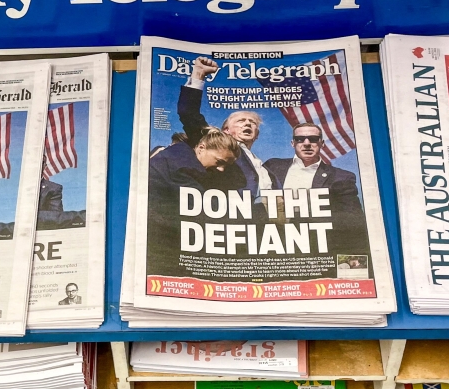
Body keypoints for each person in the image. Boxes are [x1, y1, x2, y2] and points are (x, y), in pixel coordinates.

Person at [262, 122, 370, 254]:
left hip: (315, 247)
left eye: (313, 139)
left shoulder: (341, 177)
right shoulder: (273, 166)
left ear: (322, 143)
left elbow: (353, 218)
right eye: (300, 139)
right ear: (293, 143)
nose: (306, 143)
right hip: (274, 244)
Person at [147, 129, 244, 276]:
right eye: (219, 162)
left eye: (226, 166)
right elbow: (204, 209)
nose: (221, 170)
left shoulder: (178, 153)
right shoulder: (185, 167)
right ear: (201, 148)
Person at [178, 56, 274, 197]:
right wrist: (198, 74)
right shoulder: (215, 144)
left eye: (252, 122)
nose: (247, 123)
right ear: (226, 130)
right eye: (241, 121)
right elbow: (188, 112)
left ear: (257, 134)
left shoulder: (264, 165)